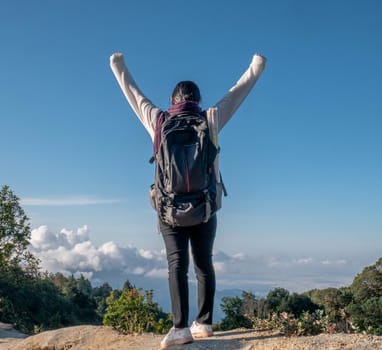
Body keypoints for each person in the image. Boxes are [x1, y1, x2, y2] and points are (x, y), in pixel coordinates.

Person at [110, 52, 266, 349]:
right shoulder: (210, 118)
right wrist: (255, 68)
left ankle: (180, 328)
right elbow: (236, 94)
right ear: (198, 98)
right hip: (205, 206)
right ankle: (204, 323)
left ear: (172, 100)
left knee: (176, 264)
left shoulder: (159, 120)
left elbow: (134, 94)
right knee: (204, 263)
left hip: (168, 208)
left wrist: (118, 66)